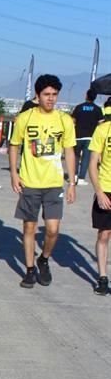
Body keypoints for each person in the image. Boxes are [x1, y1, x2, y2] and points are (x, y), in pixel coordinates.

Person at [9, 74, 77, 289]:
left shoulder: (64, 120)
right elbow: (14, 145)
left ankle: (44, 259)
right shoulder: (25, 118)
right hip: (29, 182)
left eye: (54, 94)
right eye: (46, 94)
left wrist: (72, 183)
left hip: (54, 183)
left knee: (52, 229)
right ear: (37, 96)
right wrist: (14, 173)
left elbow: (70, 150)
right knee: (29, 228)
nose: (51, 99)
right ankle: (29, 270)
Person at [87, 115, 111, 295]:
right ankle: (103, 277)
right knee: (104, 234)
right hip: (107, 188)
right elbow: (93, 163)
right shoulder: (103, 129)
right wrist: (99, 192)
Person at [71, 89, 103, 185]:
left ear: (86, 96)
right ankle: (81, 179)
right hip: (90, 137)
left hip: (78, 135)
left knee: (75, 156)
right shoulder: (97, 109)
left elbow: (72, 120)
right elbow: (101, 124)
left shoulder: (79, 107)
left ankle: (74, 175)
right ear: (95, 97)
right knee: (86, 158)